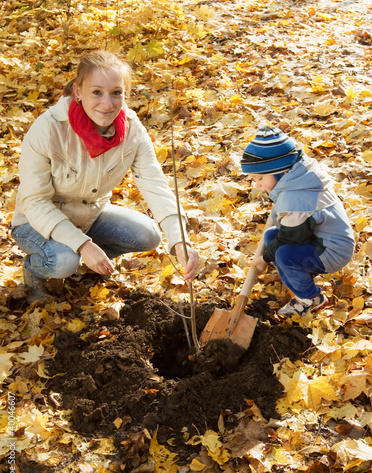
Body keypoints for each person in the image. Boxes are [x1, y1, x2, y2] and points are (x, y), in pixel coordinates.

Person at [11, 51, 199, 303]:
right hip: (35, 223)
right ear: (78, 92)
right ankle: (36, 268)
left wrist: (180, 241)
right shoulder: (48, 130)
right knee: (64, 260)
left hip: (89, 216)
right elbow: (35, 203)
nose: (107, 104)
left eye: (116, 93)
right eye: (97, 92)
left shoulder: (132, 130)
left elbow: (155, 184)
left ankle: (89, 263)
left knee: (148, 235)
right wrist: (82, 245)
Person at [241, 124, 355, 317]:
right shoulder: (300, 176)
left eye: (260, 178)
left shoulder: (296, 199)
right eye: (253, 179)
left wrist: (265, 259)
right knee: (271, 236)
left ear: (280, 171)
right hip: (320, 237)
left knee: (284, 255)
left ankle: (311, 298)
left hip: (334, 250)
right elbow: (287, 229)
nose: (257, 185)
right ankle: (300, 273)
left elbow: (288, 238)